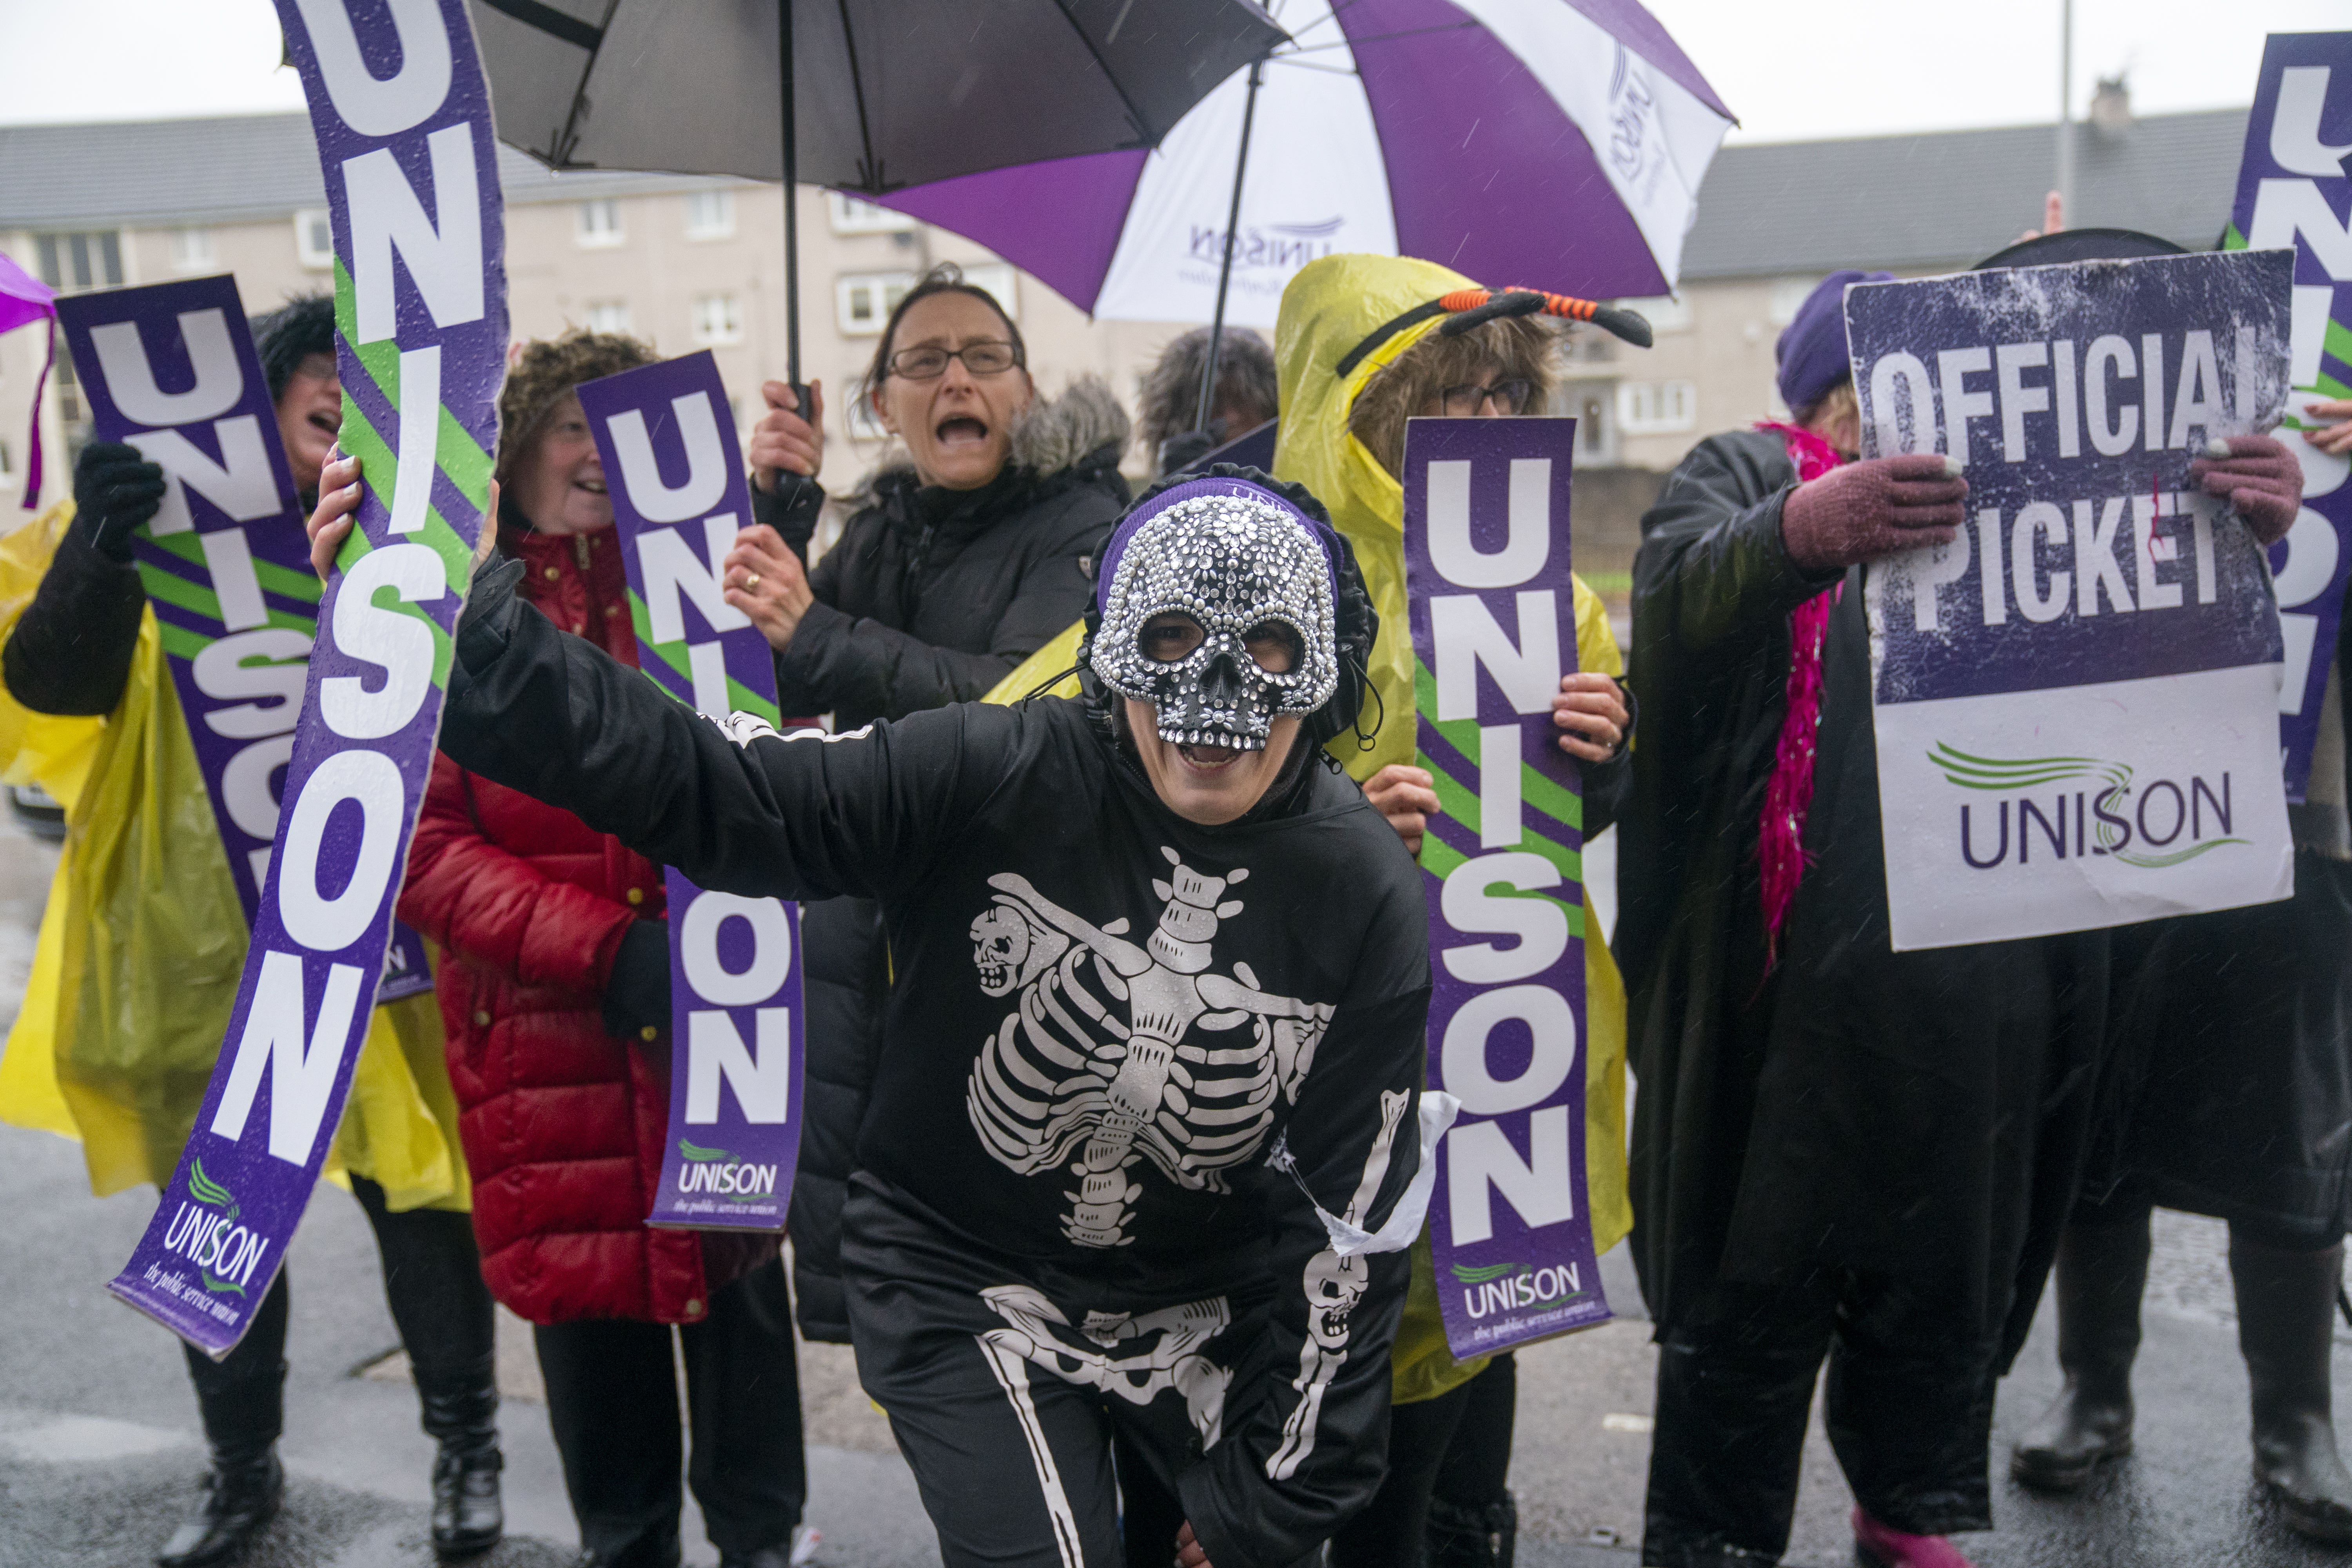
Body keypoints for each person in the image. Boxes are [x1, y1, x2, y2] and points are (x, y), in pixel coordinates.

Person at [314, 449, 1438, 1568]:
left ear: (1325, 674)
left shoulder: (1361, 894)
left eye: (1270, 649)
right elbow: (730, 791)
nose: (1216, 697)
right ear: (1113, 653)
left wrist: (1286, 1491)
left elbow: (1352, 1222)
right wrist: (471, 633)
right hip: (967, 1273)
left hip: (1209, 1304)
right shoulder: (999, 766)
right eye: (1174, 638)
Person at [1617, 268, 2306, 1568]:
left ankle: (1909, 1514)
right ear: (1833, 387)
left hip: (1975, 1028)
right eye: (1882, 386)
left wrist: (2238, 531)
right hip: (1780, 1034)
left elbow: (2153, 684)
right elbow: (1669, 610)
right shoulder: (1744, 469)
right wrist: (1795, 537)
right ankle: (1714, 1543)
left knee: (1940, 1305)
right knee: (1744, 1323)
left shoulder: (2036, 510)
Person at [0, 295, 501, 1566]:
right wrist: (102, 546)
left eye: (368, 391)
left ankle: (468, 1454)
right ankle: (240, 1476)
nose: (343, 402)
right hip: (185, 945)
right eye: (318, 384)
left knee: (420, 1191)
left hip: (365, 930)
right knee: (219, 1214)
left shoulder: (411, 538)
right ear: (257, 396)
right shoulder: (154, 519)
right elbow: (50, 683)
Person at [391, 331, 804, 1568]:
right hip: (546, 1063)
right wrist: (608, 950)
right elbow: (421, 846)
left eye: (617, 426)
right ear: (510, 449)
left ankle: (763, 1542)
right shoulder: (451, 610)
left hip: (717, 1043)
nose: (594, 453)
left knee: (742, 1349)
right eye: (567, 426)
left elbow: (793, 760)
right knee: (608, 1436)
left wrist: (789, 529)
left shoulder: (707, 591)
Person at [1269, 254, 1635, 1568]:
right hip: (1324, 1059)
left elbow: (1567, 828)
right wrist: (1334, 821)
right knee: (1333, 1380)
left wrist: (1602, 751)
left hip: (1498, 1046)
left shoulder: (1555, 593)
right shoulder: (1279, 585)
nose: (1483, 426)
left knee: (1471, 1353)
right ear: (1362, 409)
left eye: (1503, 396)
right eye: (1448, 397)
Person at [2008, 233, 2352, 1544]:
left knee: (2292, 1119)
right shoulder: (2174, 357)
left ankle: (2293, 1423)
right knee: (2105, 1105)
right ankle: (2094, 1390)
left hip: (2298, 802)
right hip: (2127, 797)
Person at [720, 263, 1130, 1353]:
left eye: (985, 357)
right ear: (884, 408)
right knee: (909, 1330)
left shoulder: (1085, 527)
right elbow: (784, 686)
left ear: (1027, 393)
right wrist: (782, 511)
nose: (958, 378)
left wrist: (818, 633)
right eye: (925, 363)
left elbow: (1012, 713)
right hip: (874, 967)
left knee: (1018, 1324)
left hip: (1006, 964)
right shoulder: (885, 530)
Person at [1136, 326, 1278, 477]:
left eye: (1241, 401)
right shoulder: (1169, 492)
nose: (1231, 418)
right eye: (1216, 403)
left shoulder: (1293, 487)